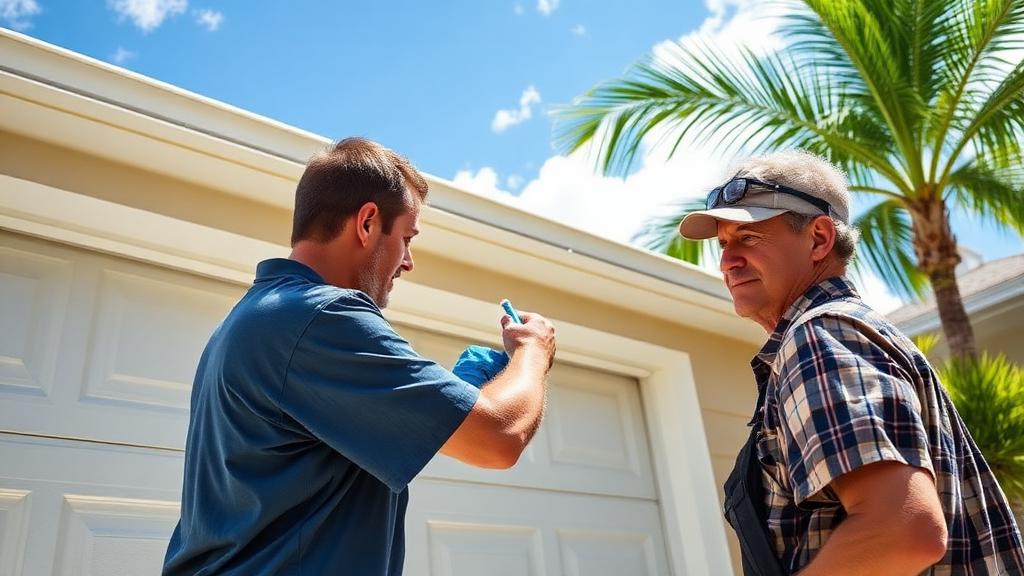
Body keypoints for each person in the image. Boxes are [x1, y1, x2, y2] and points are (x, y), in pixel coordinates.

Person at [162, 137, 556, 575]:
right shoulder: (319, 317)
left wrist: (452, 399)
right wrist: (532, 352)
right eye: (407, 238)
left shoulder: (257, 320)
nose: (407, 262)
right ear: (368, 222)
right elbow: (499, 438)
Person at [678, 151, 1024, 575]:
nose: (728, 261)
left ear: (820, 239)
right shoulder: (848, 333)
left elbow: (903, 530)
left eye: (748, 237)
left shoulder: (820, 335)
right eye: (723, 243)